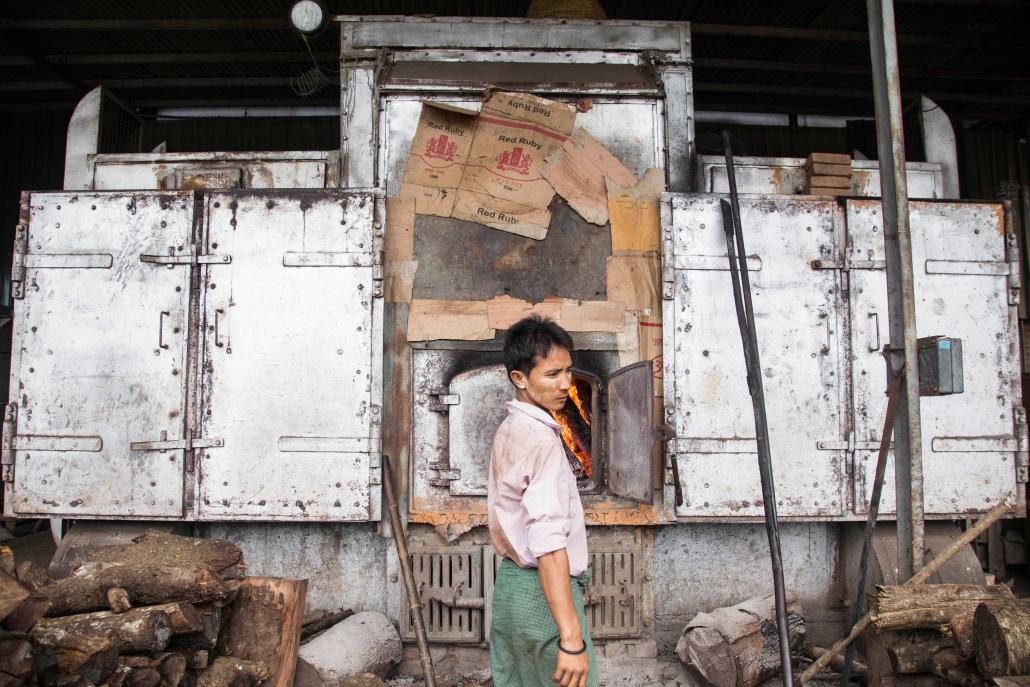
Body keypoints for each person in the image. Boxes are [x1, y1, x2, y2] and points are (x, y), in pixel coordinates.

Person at [488, 315, 598, 687]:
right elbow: (549, 546)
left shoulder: (511, 427)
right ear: (519, 378)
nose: (566, 384)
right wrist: (571, 639)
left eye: (568, 371)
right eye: (552, 375)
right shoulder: (541, 440)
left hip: (511, 593)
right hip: (543, 596)